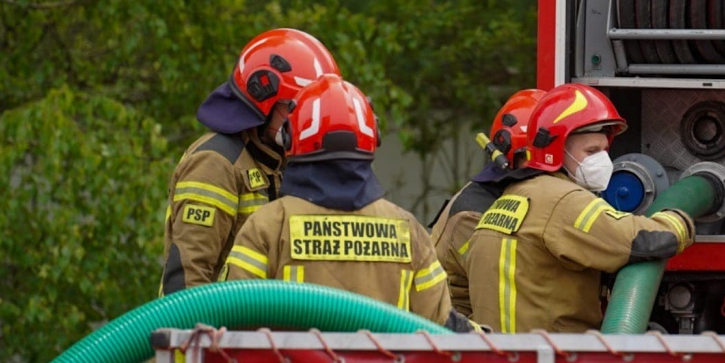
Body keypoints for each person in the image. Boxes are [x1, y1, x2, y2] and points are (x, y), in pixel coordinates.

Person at [224, 74, 469, 331]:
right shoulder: (409, 231)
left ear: (289, 136)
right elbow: (441, 328)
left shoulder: (268, 226)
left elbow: (231, 318)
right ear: (373, 136)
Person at [466, 83, 694, 333]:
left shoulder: (511, 198)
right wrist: (680, 218)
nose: (602, 160)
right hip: (552, 361)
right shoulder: (562, 201)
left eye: (604, 150)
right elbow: (642, 240)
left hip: (501, 360)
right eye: (591, 151)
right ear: (556, 150)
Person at [159, 28, 340, 298]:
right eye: (296, 107)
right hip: (218, 332)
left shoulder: (280, 161)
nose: (306, 118)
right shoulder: (215, 164)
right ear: (263, 95)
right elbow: (188, 277)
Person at [430, 88, 544, 316]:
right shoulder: (471, 216)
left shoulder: (513, 194)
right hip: (461, 339)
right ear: (507, 153)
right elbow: (512, 289)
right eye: (535, 156)